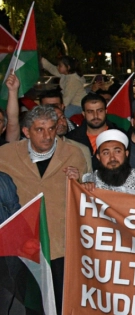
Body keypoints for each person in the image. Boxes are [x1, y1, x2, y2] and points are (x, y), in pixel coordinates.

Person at [0, 105, 87, 312]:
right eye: (40, 130)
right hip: (21, 249)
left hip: (60, 246)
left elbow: (86, 199)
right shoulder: (6, 155)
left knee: (59, 303)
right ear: (26, 132)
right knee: (25, 303)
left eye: (51, 128)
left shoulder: (74, 154)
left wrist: (80, 181)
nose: (47, 135)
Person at [66, 130, 135, 199]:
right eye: (106, 153)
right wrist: (79, 187)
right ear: (98, 157)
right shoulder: (90, 181)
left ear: (126, 154)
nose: (112, 158)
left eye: (117, 151)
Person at [66, 93, 122, 169]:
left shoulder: (120, 136)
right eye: (90, 112)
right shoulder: (71, 139)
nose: (95, 116)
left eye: (100, 111)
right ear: (83, 114)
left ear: (106, 111)